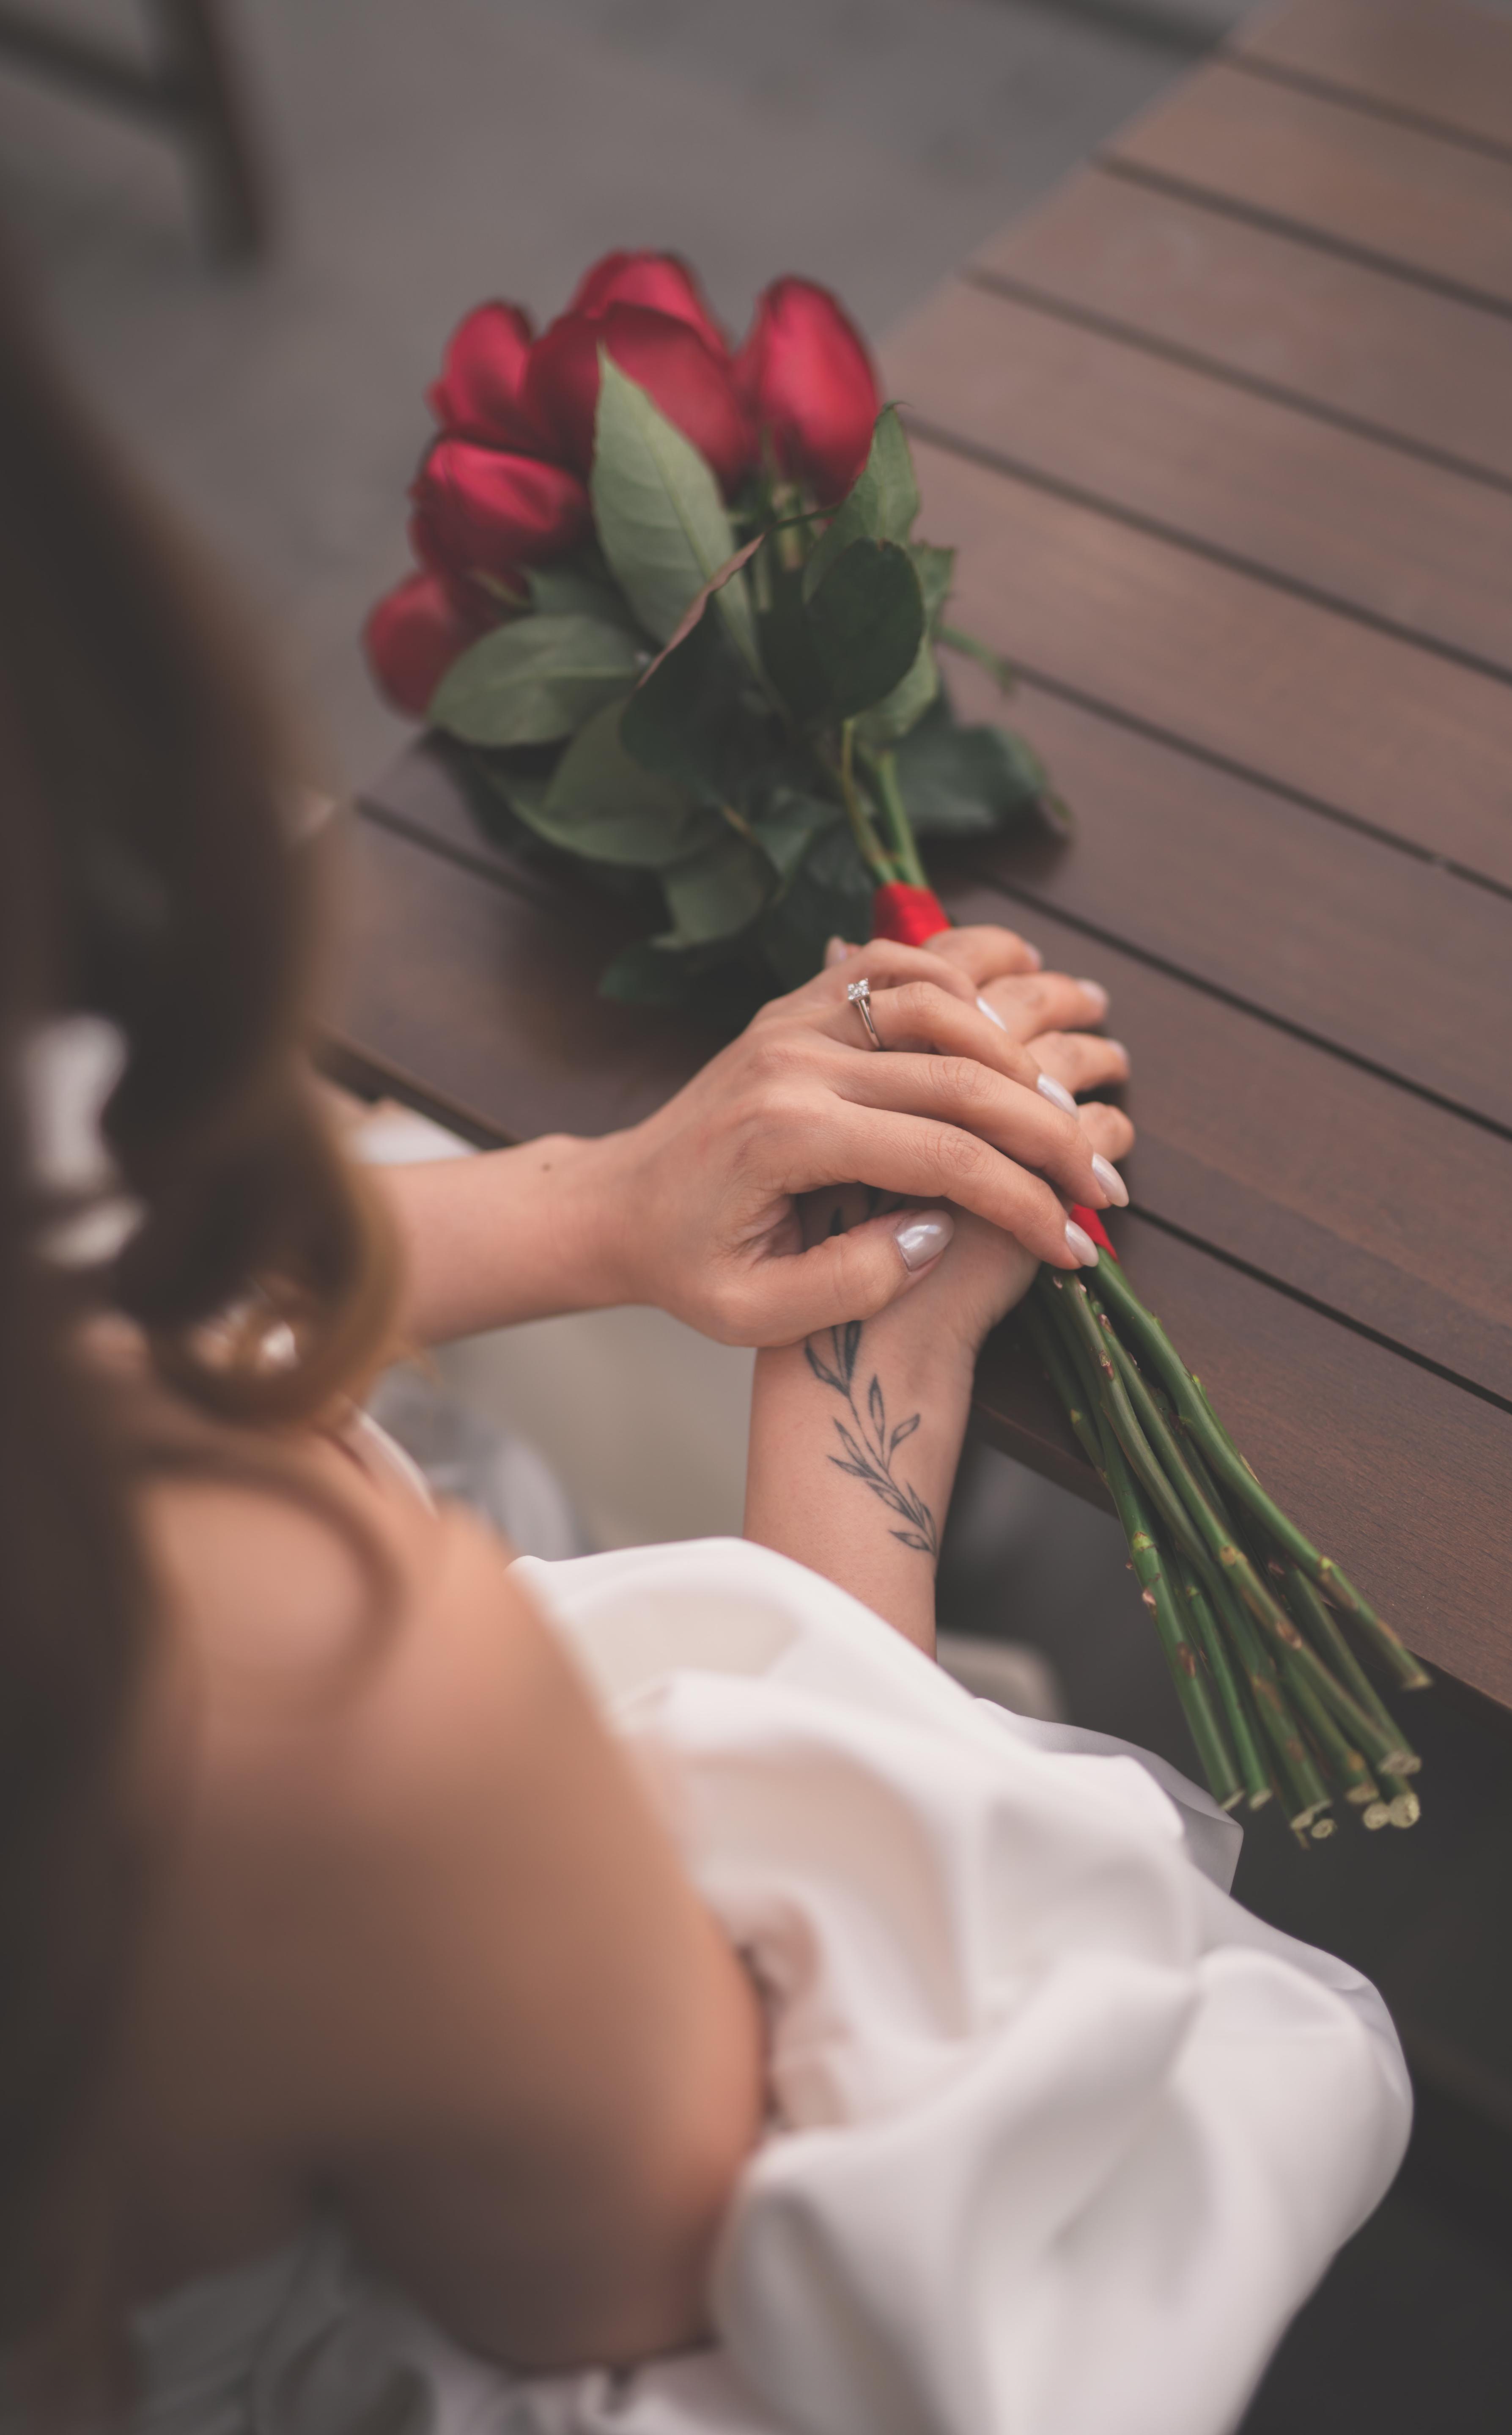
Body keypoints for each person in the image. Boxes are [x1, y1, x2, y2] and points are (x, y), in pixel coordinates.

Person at [0, 263, 1144, 2418]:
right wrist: (861, 1404)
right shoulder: (302, 1700)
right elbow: (772, 2302)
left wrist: (598, 1207)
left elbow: (77, 1310)